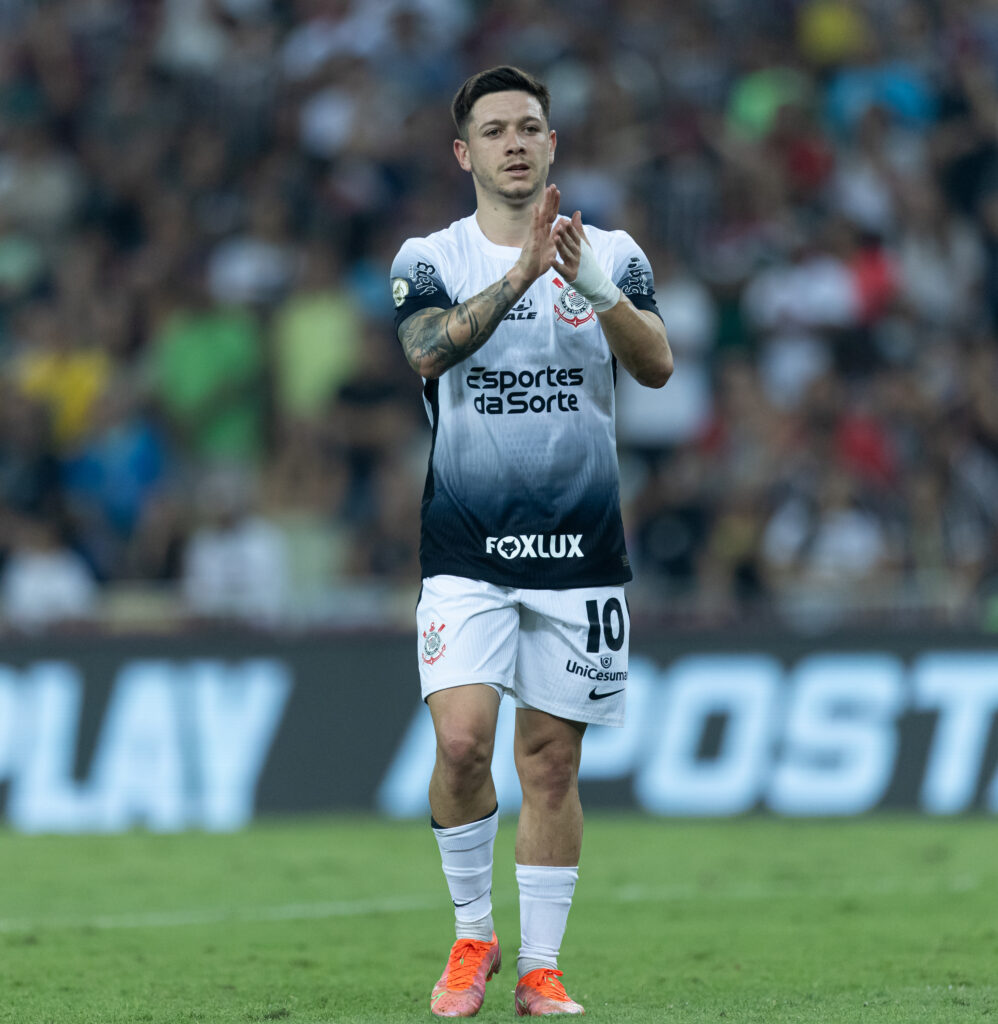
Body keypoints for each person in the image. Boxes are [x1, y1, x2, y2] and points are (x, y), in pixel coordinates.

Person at [390, 66, 672, 1018]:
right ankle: (474, 937)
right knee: (463, 743)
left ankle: (541, 970)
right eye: (495, 130)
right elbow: (426, 349)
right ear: (463, 153)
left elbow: (658, 365)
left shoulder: (614, 253)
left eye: (530, 128)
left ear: (553, 144)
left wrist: (590, 282)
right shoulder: (430, 256)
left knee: (550, 762)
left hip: (581, 555)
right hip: (466, 550)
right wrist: (521, 276)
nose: (514, 142)